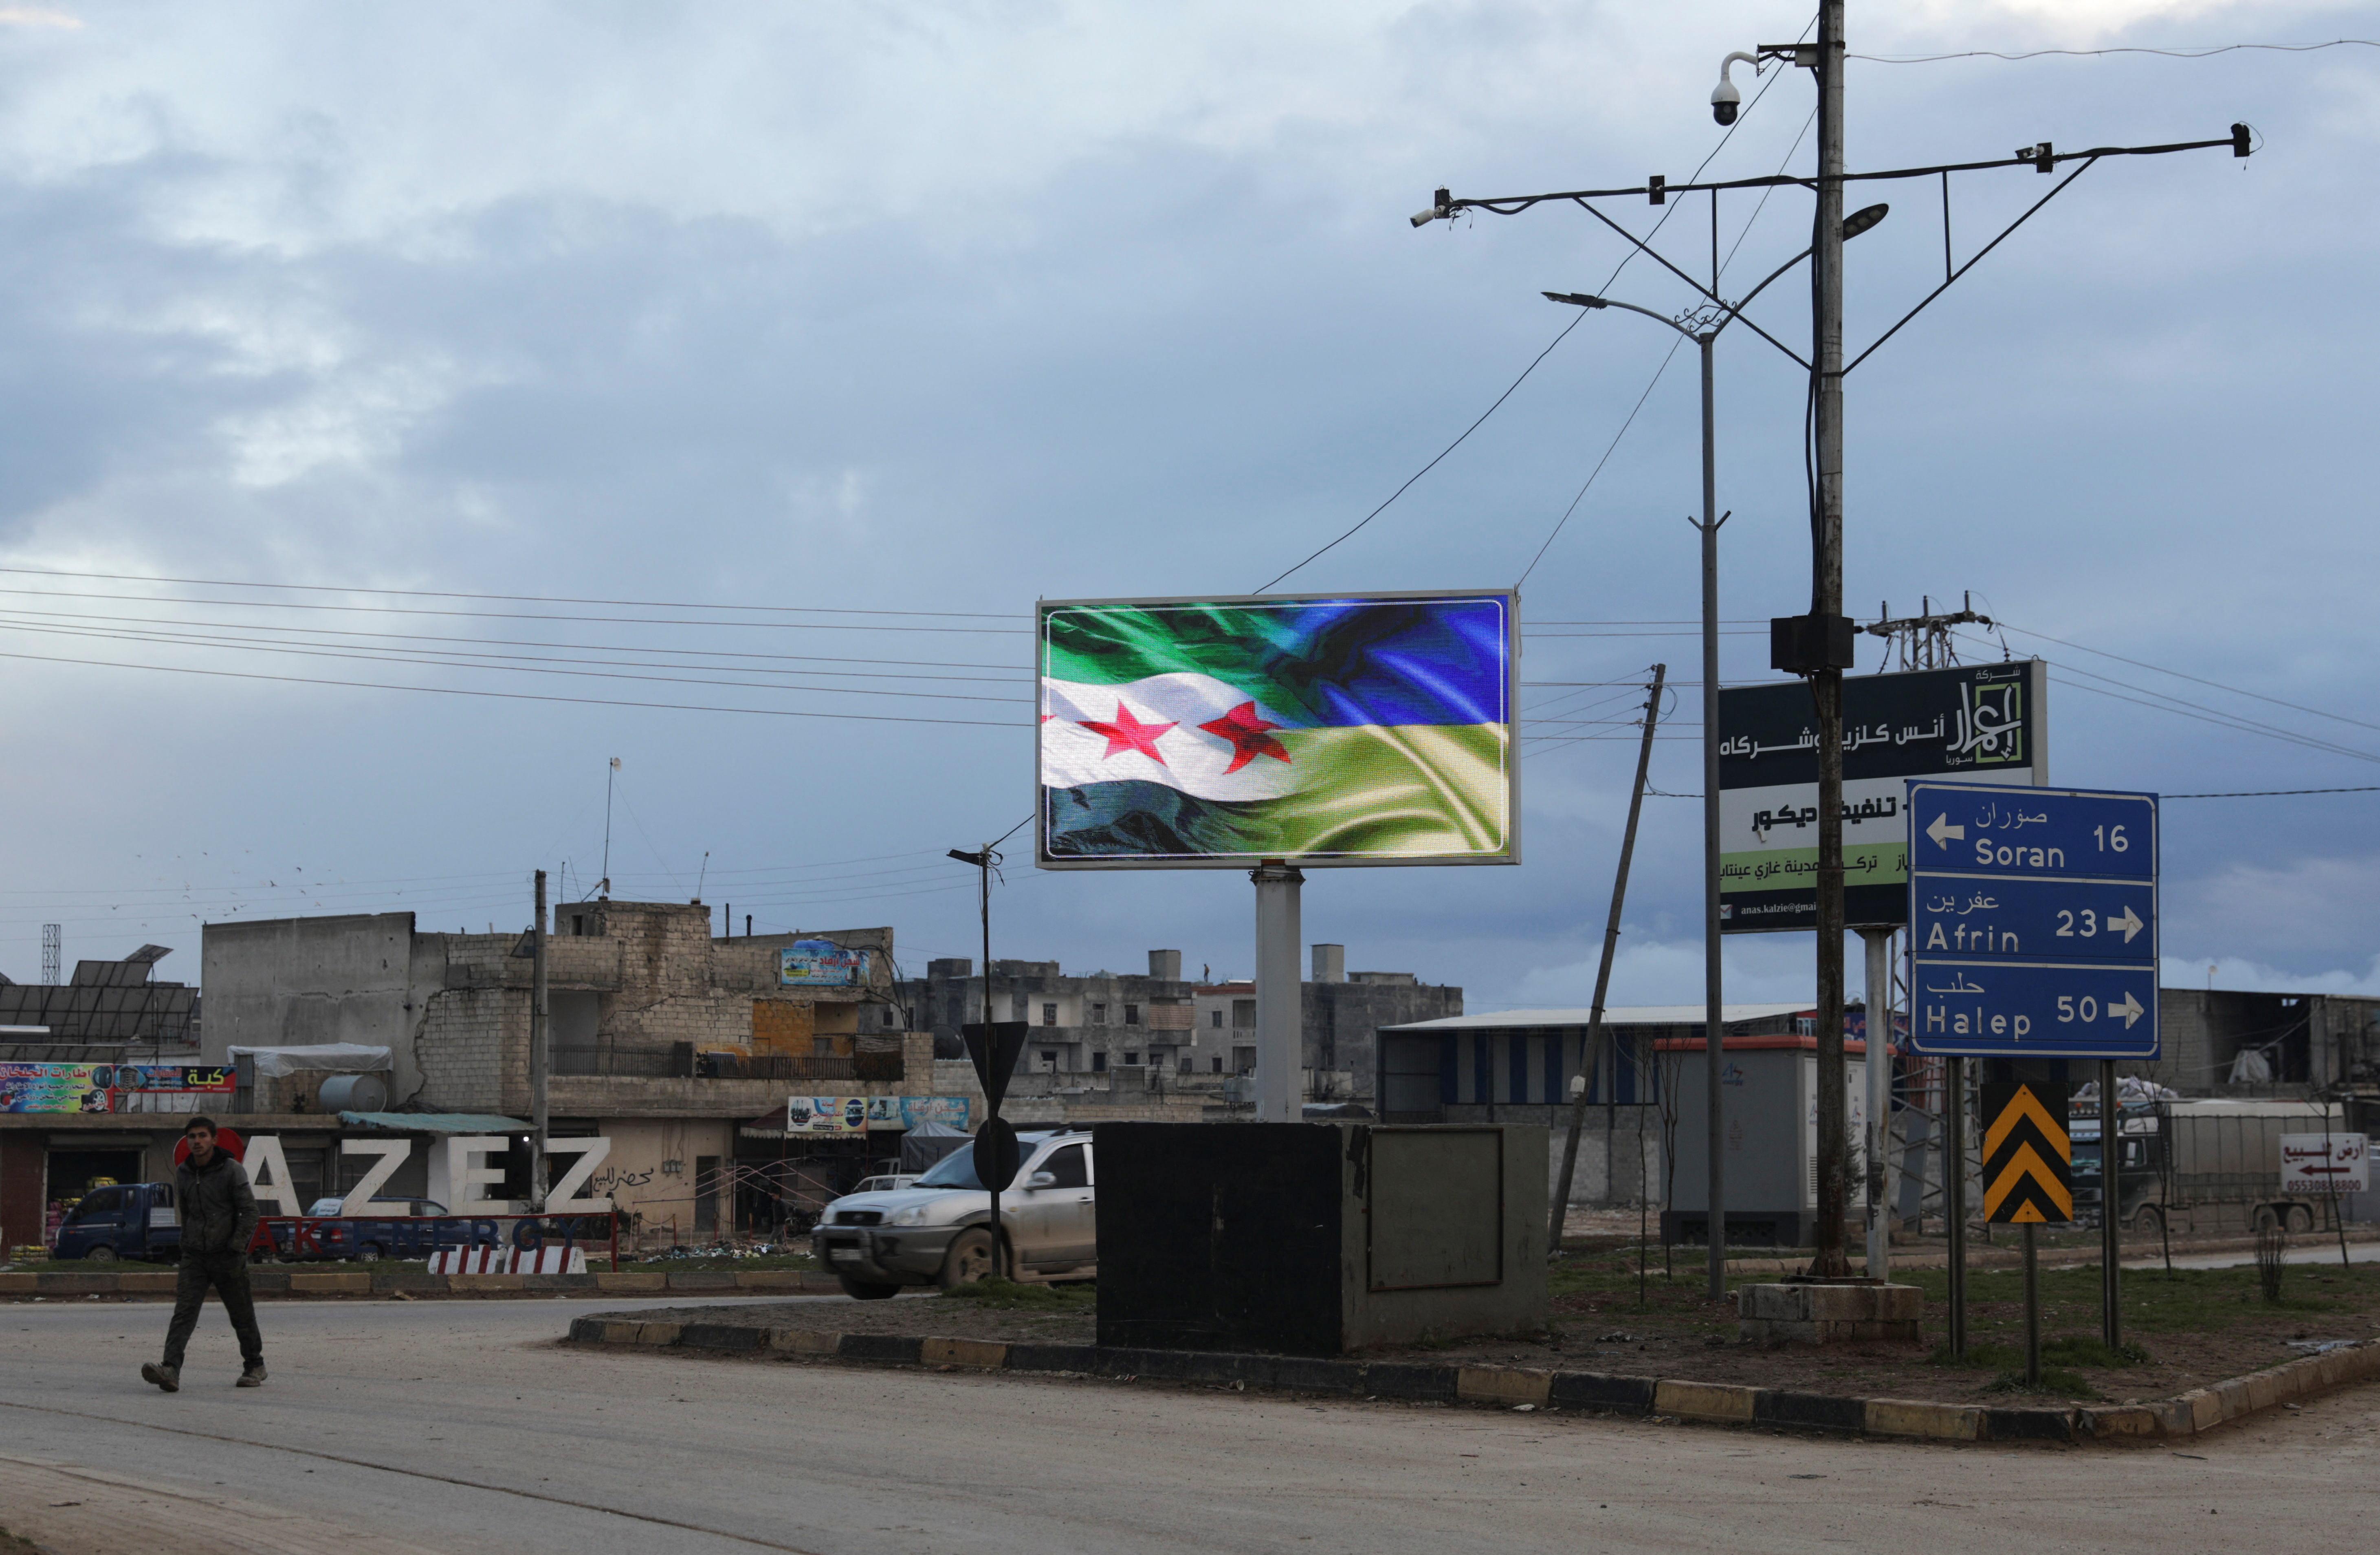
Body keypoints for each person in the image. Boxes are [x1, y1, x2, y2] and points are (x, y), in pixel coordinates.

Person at [142, 1116, 265, 1391]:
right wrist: (187, 1243)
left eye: (202, 1136)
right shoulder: (184, 1172)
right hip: (195, 1256)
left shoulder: (231, 1170)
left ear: (214, 1140)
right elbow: (186, 1212)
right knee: (183, 1313)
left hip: (227, 1256)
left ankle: (255, 1365)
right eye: (192, 1137)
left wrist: (236, 1247)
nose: (197, 1142)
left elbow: (250, 1212)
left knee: (241, 1313)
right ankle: (170, 1370)